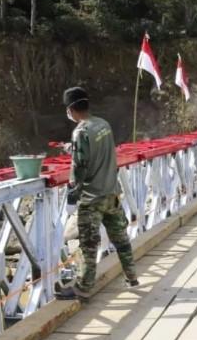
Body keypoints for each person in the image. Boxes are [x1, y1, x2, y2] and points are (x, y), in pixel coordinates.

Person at [58, 87, 138, 301]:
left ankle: (84, 287)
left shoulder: (80, 132)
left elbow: (80, 166)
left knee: (88, 244)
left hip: (92, 198)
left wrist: (74, 188)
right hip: (111, 193)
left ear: (72, 109)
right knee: (120, 239)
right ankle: (131, 276)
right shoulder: (103, 125)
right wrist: (72, 148)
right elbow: (100, 151)